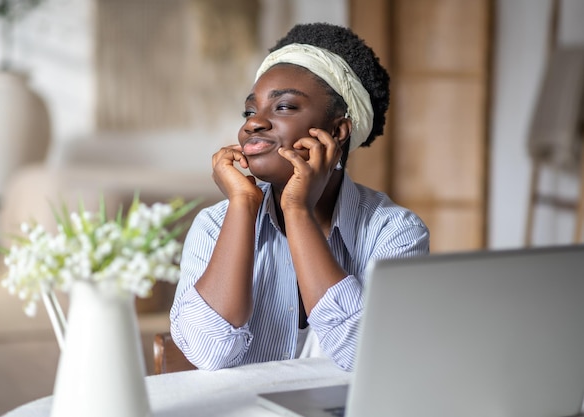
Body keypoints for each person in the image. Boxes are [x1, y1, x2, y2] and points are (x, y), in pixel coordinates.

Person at [169, 22, 430, 372]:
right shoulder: (215, 223)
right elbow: (208, 354)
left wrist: (298, 211)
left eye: (285, 107)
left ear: (336, 131)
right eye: (250, 111)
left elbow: (372, 359)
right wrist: (243, 207)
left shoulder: (394, 231)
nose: (254, 124)